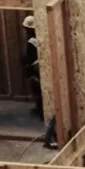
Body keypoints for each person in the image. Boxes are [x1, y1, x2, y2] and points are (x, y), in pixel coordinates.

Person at [21, 16, 57, 149]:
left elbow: (30, 58)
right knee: (38, 93)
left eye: (27, 29)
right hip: (36, 72)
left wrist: (27, 66)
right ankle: (40, 110)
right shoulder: (38, 40)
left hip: (36, 73)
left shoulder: (32, 42)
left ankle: (42, 113)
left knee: (38, 93)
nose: (25, 32)